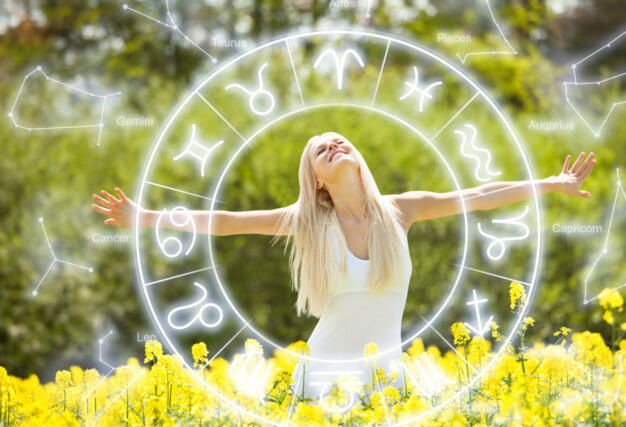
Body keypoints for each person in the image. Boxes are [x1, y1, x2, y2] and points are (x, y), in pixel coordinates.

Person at [91, 131, 596, 404]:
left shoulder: (401, 210)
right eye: (319, 150)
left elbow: (479, 196)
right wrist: (147, 217)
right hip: (323, 379)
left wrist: (550, 184)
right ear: (316, 182)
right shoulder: (308, 223)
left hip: (388, 380)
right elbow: (225, 222)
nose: (333, 145)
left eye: (338, 141)